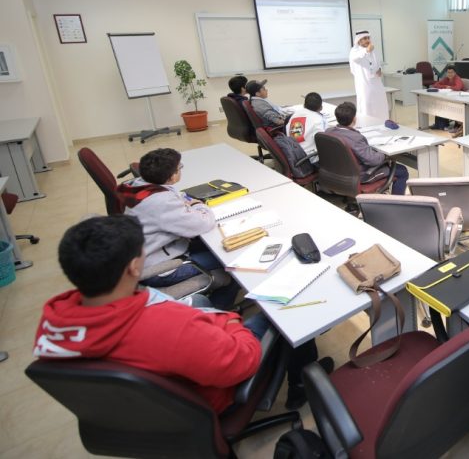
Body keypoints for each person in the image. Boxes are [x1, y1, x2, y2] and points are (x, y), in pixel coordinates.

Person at [33, 216, 331, 412]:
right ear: (134, 267)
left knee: (201, 300)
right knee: (282, 307)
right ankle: (301, 385)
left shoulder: (55, 320)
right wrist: (227, 320)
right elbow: (243, 361)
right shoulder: (170, 329)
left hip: (136, 410)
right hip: (204, 400)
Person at [116, 148, 228, 299]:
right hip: (160, 269)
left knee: (214, 245)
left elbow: (175, 195)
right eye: (179, 167)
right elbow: (204, 223)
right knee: (229, 263)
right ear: (172, 176)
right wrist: (198, 205)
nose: (181, 169)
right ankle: (220, 306)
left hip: (149, 254)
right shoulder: (161, 202)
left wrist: (183, 201)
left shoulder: (139, 186)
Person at [325, 101, 409, 195]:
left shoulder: (328, 131)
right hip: (362, 176)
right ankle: (397, 201)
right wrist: (385, 154)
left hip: (337, 172)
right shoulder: (356, 138)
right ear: (354, 118)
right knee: (402, 171)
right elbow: (373, 160)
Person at [349, 30, 389, 120]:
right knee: (366, 105)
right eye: (365, 38)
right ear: (359, 40)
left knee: (380, 104)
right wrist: (367, 50)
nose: (367, 40)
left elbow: (377, 63)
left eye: (368, 38)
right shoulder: (354, 51)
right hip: (364, 85)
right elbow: (356, 58)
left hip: (376, 83)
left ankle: (382, 122)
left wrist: (379, 69)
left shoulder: (372, 51)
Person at [286, 92, 335, 156]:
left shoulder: (293, 116)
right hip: (310, 157)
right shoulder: (318, 119)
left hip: (293, 153)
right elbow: (323, 141)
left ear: (304, 105)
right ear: (321, 107)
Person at [430, 64, 466, 132]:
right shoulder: (446, 79)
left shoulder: (457, 79)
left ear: (455, 73)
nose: (450, 74)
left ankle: (456, 126)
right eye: (448, 72)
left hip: (459, 99)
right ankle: (439, 124)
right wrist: (445, 86)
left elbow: (458, 88)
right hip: (449, 98)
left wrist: (449, 87)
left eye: (451, 72)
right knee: (440, 104)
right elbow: (436, 85)